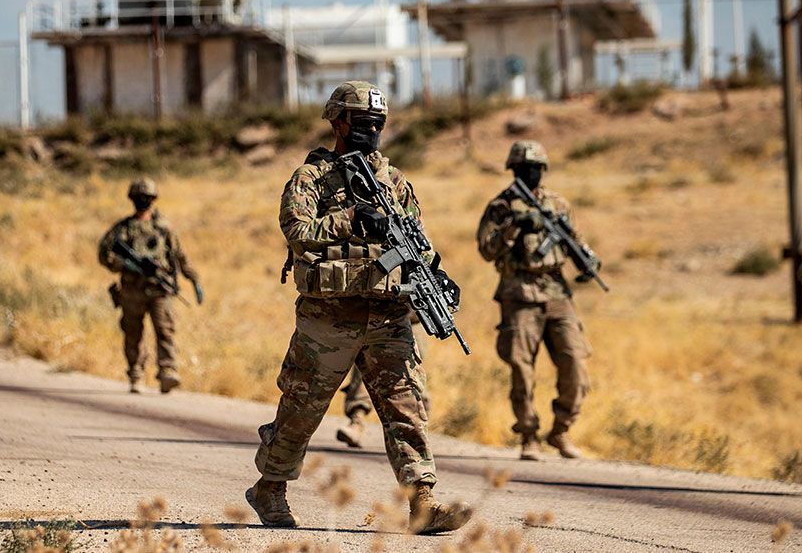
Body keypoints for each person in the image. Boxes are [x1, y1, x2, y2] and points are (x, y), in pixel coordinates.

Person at [247, 81, 472, 534]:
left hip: (388, 314)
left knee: (405, 408)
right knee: (302, 408)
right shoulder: (311, 178)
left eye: (378, 123)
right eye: (362, 122)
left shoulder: (394, 182)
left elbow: (418, 241)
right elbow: (297, 230)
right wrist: (350, 219)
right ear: (338, 122)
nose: (371, 130)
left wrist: (436, 273)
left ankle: (422, 501)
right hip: (329, 317)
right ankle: (270, 487)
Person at [476, 141, 592, 461]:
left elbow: (576, 242)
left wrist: (588, 261)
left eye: (537, 168)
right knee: (521, 367)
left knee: (576, 363)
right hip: (519, 292)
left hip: (557, 291)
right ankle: (528, 434)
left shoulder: (557, 204)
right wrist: (515, 226)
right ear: (513, 170)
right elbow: (487, 249)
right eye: (524, 169)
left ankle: (561, 429)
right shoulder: (501, 206)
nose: (531, 174)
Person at [98, 178, 203, 395]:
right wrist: (125, 264)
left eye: (146, 198)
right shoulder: (122, 230)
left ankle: (167, 371)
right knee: (133, 333)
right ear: (132, 199)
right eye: (139, 198)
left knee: (165, 331)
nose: (142, 201)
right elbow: (104, 254)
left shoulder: (164, 229)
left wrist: (194, 280)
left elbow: (180, 257)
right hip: (131, 290)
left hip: (159, 290)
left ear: (153, 200)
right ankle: (135, 373)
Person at [335, 313, 431, 448]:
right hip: (379, 317)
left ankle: (414, 438)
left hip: (412, 321)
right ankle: (357, 421)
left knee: (408, 378)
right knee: (367, 364)